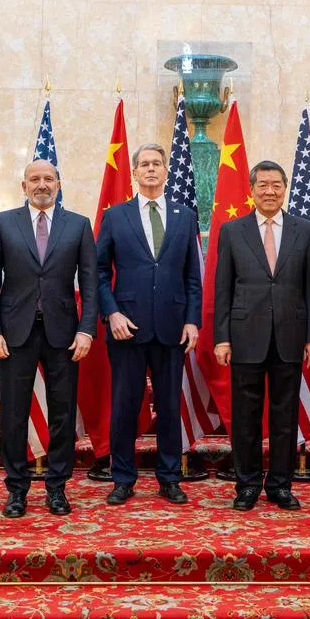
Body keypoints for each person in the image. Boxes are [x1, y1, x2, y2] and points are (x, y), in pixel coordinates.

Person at [0, 160, 98, 518]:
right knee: (14, 413)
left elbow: (90, 284)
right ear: (24, 185)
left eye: (48, 179)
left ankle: (57, 487)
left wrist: (87, 329)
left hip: (63, 333)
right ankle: (16, 489)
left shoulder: (78, 225)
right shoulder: (2, 223)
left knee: (62, 413)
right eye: (35, 179)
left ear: (58, 185)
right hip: (15, 333)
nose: (42, 184)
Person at [95, 143, 202, 506]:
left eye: (157, 163)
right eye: (145, 164)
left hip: (172, 327)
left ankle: (169, 477)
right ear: (135, 173)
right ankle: (123, 478)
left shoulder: (185, 216)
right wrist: (111, 313)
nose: (152, 169)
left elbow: (192, 276)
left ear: (166, 170)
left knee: (170, 406)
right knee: (125, 405)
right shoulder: (115, 216)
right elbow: (97, 272)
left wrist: (192, 320)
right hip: (127, 327)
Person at [213, 160, 310, 511]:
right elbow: (223, 289)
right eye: (263, 184)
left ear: (285, 188)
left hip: (290, 336)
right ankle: (246, 485)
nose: (270, 191)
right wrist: (222, 337)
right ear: (252, 189)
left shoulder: (305, 231)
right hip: (245, 336)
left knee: (285, 416)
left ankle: (280, 484)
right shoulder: (232, 231)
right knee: (245, 416)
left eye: (276, 184)